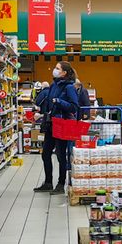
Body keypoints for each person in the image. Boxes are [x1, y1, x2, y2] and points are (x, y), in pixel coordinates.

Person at [34, 61, 81, 193]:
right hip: (50, 123)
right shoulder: (54, 85)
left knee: (61, 155)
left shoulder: (69, 87)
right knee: (46, 154)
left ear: (64, 72)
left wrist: (59, 101)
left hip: (62, 124)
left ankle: (61, 184)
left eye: (57, 68)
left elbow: (74, 106)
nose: (54, 70)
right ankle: (48, 182)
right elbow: (49, 105)